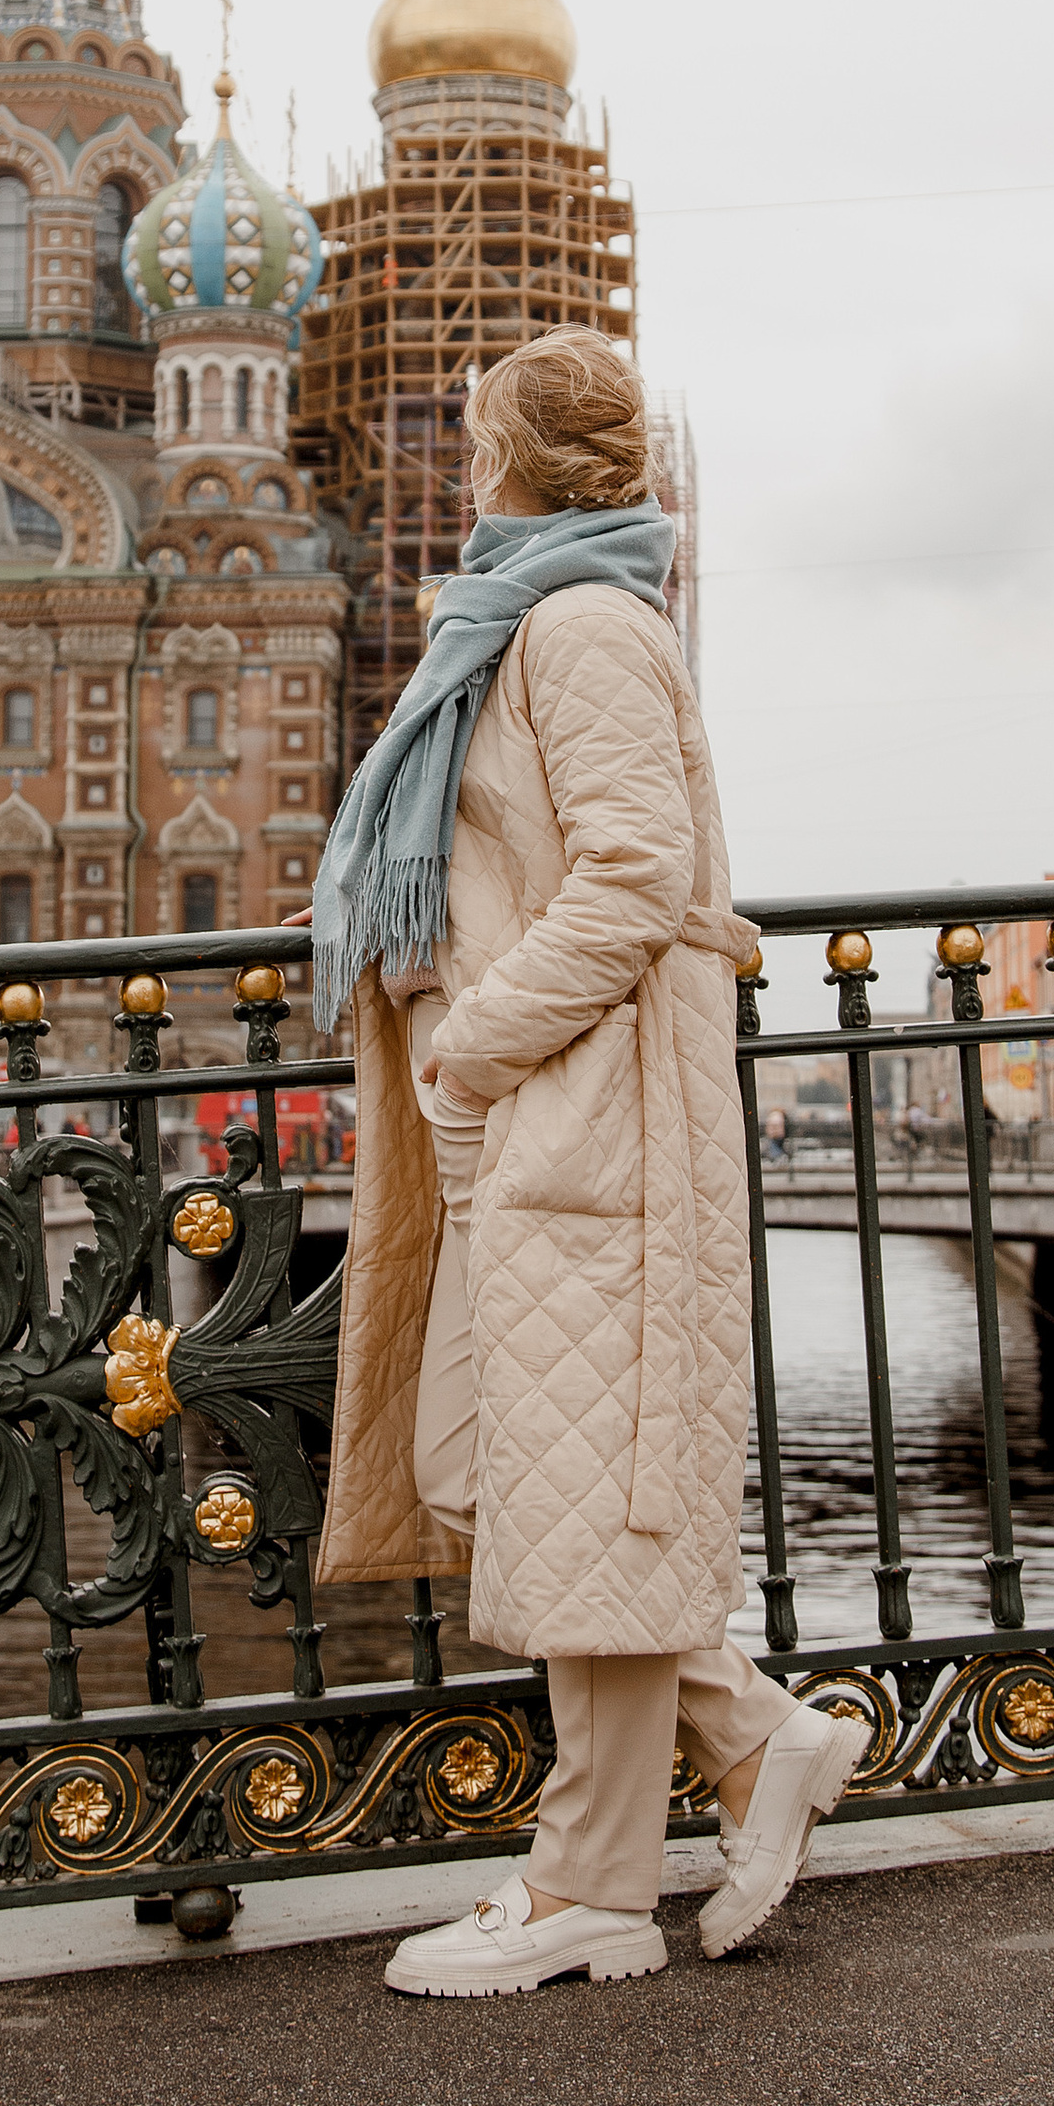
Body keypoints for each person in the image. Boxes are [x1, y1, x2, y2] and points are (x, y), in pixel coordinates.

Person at [306, 326, 867, 1996]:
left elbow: (634, 874)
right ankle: (750, 1744)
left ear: (515, 460)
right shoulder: (524, 622)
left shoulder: (587, 624)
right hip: (528, 1124)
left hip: (584, 1113)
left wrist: (474, 1040)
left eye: (481, 440)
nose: (465, 466)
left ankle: (589, 1888)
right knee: (498, 1468)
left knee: (570, 1487)